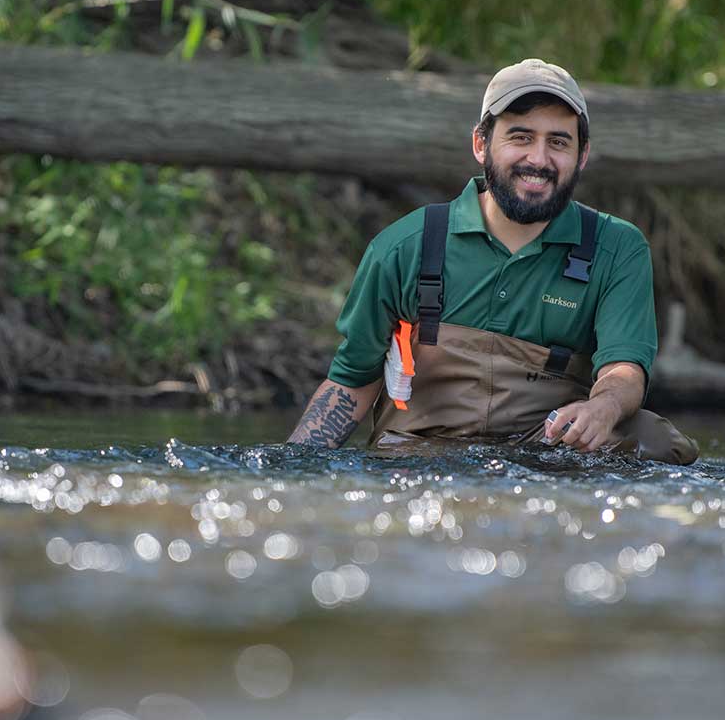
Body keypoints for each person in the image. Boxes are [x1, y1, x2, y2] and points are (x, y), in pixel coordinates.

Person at [286, 58, 699, 464]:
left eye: (558, 142)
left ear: (582, 154)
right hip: (415, 460)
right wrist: (290, 470)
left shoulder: (618, 248)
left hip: (549, 457)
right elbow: (351, 382)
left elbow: (624, 370)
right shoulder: (403, 246)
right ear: (481, 144)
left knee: (655, 440)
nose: (538, 159)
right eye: (520, 137)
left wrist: (603, 408)